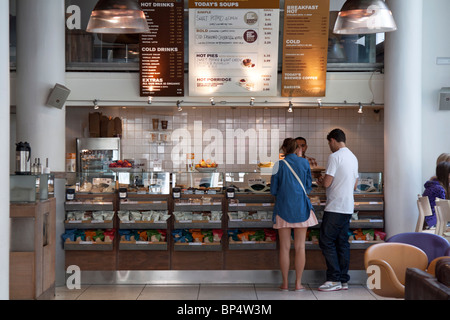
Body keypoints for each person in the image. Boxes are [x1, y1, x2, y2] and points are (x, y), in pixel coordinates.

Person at [271, 138, 318, 291]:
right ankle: (298, 284)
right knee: (300, 247)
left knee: (284, 248)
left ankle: (284, 284)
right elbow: (308, 186)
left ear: (283, 149)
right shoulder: (304, 163)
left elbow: (273, 190)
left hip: (283, 209)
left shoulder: (278, 164)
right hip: (301, 209)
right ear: (297, 148)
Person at [316, 128, 358, 292]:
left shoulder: (334, 157)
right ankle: (343, 280)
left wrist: (320, 180)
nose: (329, 146)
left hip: (335, 206)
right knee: (342, 243)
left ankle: (333, 278)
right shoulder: (353, 157)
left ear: (333, 140)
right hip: (348, 206)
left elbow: (327, 183)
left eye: (329, 143)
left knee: (326, 241)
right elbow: (354, 185)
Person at [422, 161, 450, 228]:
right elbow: (443, 211)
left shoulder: (432, 186)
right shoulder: (439, 189)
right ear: (447, 175)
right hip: (435, 222)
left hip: (429, 221)